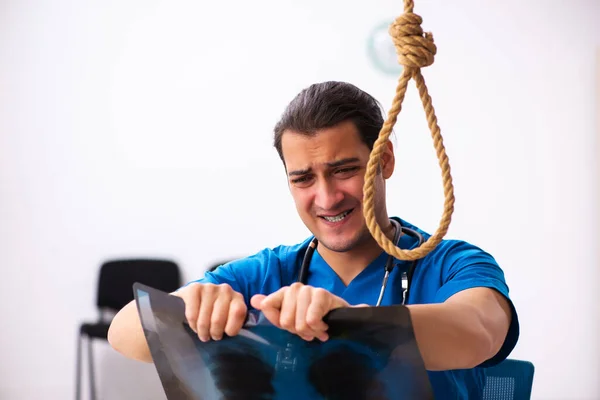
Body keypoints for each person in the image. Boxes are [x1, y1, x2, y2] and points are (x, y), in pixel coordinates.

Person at [108, 81, 519, 399]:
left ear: (385, 160)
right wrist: (196, 308)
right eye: (303, 178)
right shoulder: (268, 272)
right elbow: (124, 332)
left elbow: (479, 333)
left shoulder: (451, 262)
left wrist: (347, 324)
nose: (326, 198)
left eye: (344, 170)